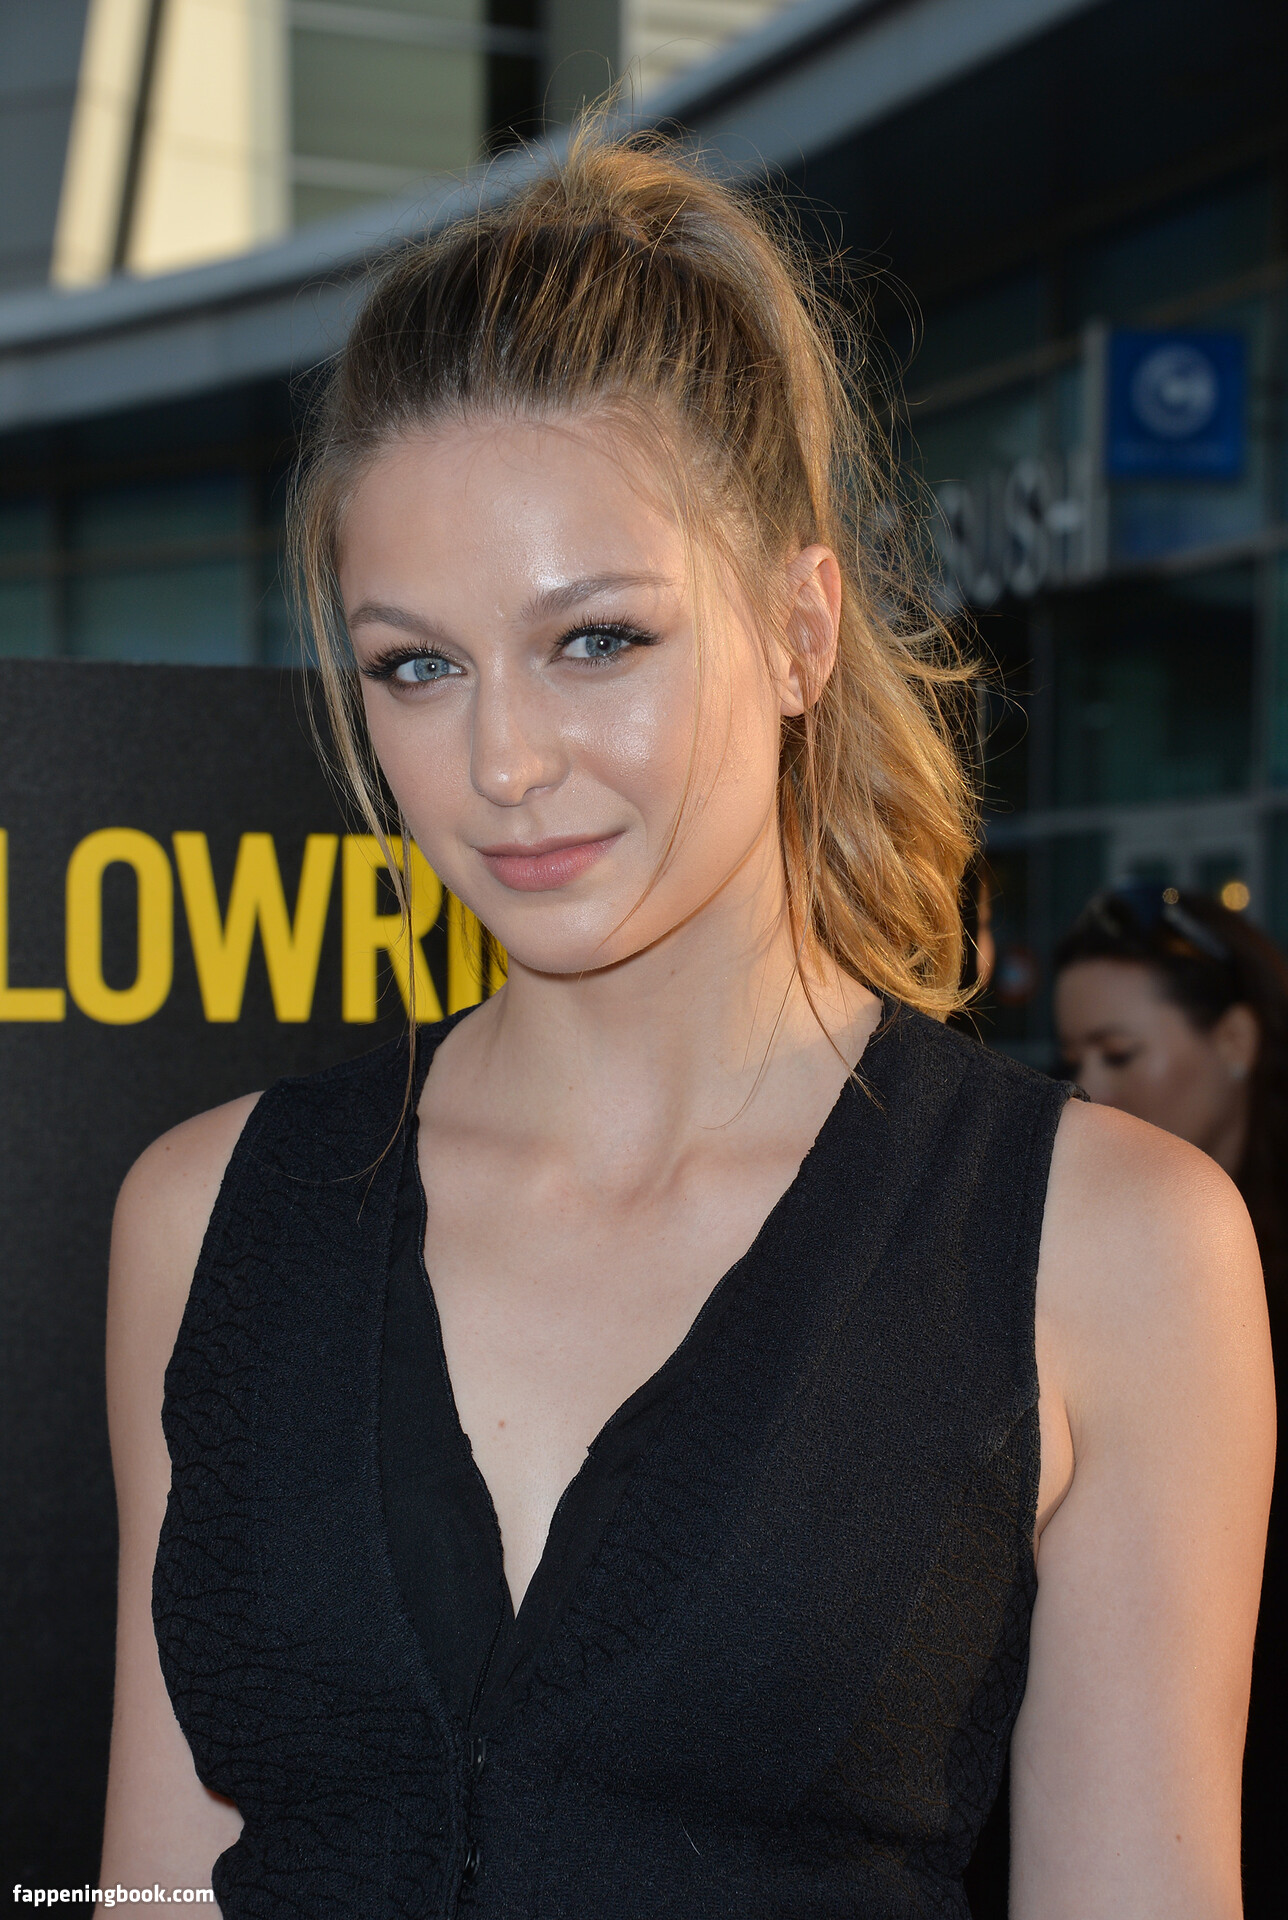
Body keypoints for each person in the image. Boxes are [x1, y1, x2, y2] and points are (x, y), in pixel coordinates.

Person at [97, 130, 1273, 1919]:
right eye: (418, 664)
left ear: (800, 628)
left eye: (596, 642)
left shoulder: (1111, 1248)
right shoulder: (207, 1219)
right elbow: (158, 1889)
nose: (502, 761)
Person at [1054, 881, 1288, 1917]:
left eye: (1120, 1053)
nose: (1092, 1091)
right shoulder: (1075, 1254)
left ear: (1235, 1039)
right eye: (1075, 1061)